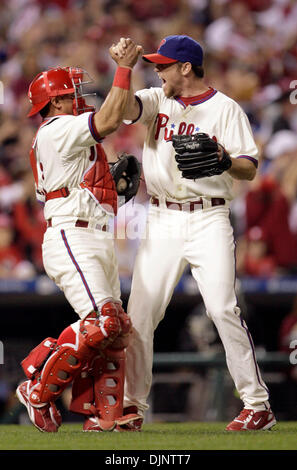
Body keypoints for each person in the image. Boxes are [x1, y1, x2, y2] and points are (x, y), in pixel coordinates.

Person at [110, 35, 276, 431]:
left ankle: (257, 405)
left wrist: (223, 160)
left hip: (209, 217)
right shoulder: (156, 98)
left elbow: (249, 166)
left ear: (186, 66)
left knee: (222, 308)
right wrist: (124, 68)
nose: (158, 70)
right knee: (141, 314)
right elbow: (118, 113)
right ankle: (132, 406)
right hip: (163, 217)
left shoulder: (225, 109)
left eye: (163, 64)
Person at [16, 39, 144, 433]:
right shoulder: (57, 128)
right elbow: (108, 122)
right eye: (72, 94)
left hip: (92, 232)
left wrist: (107, 188)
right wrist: (123, 69)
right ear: (54, 104)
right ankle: (37, 388)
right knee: (103, 322)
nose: (80, 99)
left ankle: (102, 416)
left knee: (117, 328)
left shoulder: (66, 133)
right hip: (72, 234)